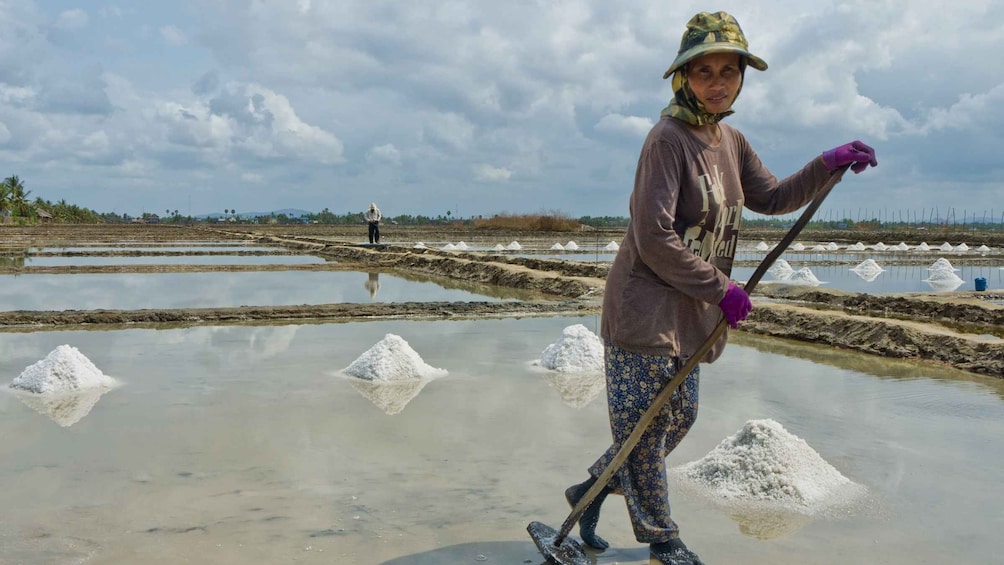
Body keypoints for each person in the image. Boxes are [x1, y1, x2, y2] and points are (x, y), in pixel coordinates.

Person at [560, 11, 877, 565]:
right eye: (703, 71)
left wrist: (827, 163)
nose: (717, 82)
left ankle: (590, 490)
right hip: (643, 309)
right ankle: (665, 540)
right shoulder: (666, 141)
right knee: (646, 427)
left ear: (741, 78)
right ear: (683, 77)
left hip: (690, 315)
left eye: (727, 71)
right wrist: (720, 288)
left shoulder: (730, 139)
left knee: (675, 421)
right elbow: (653, 235)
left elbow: (773, 198)